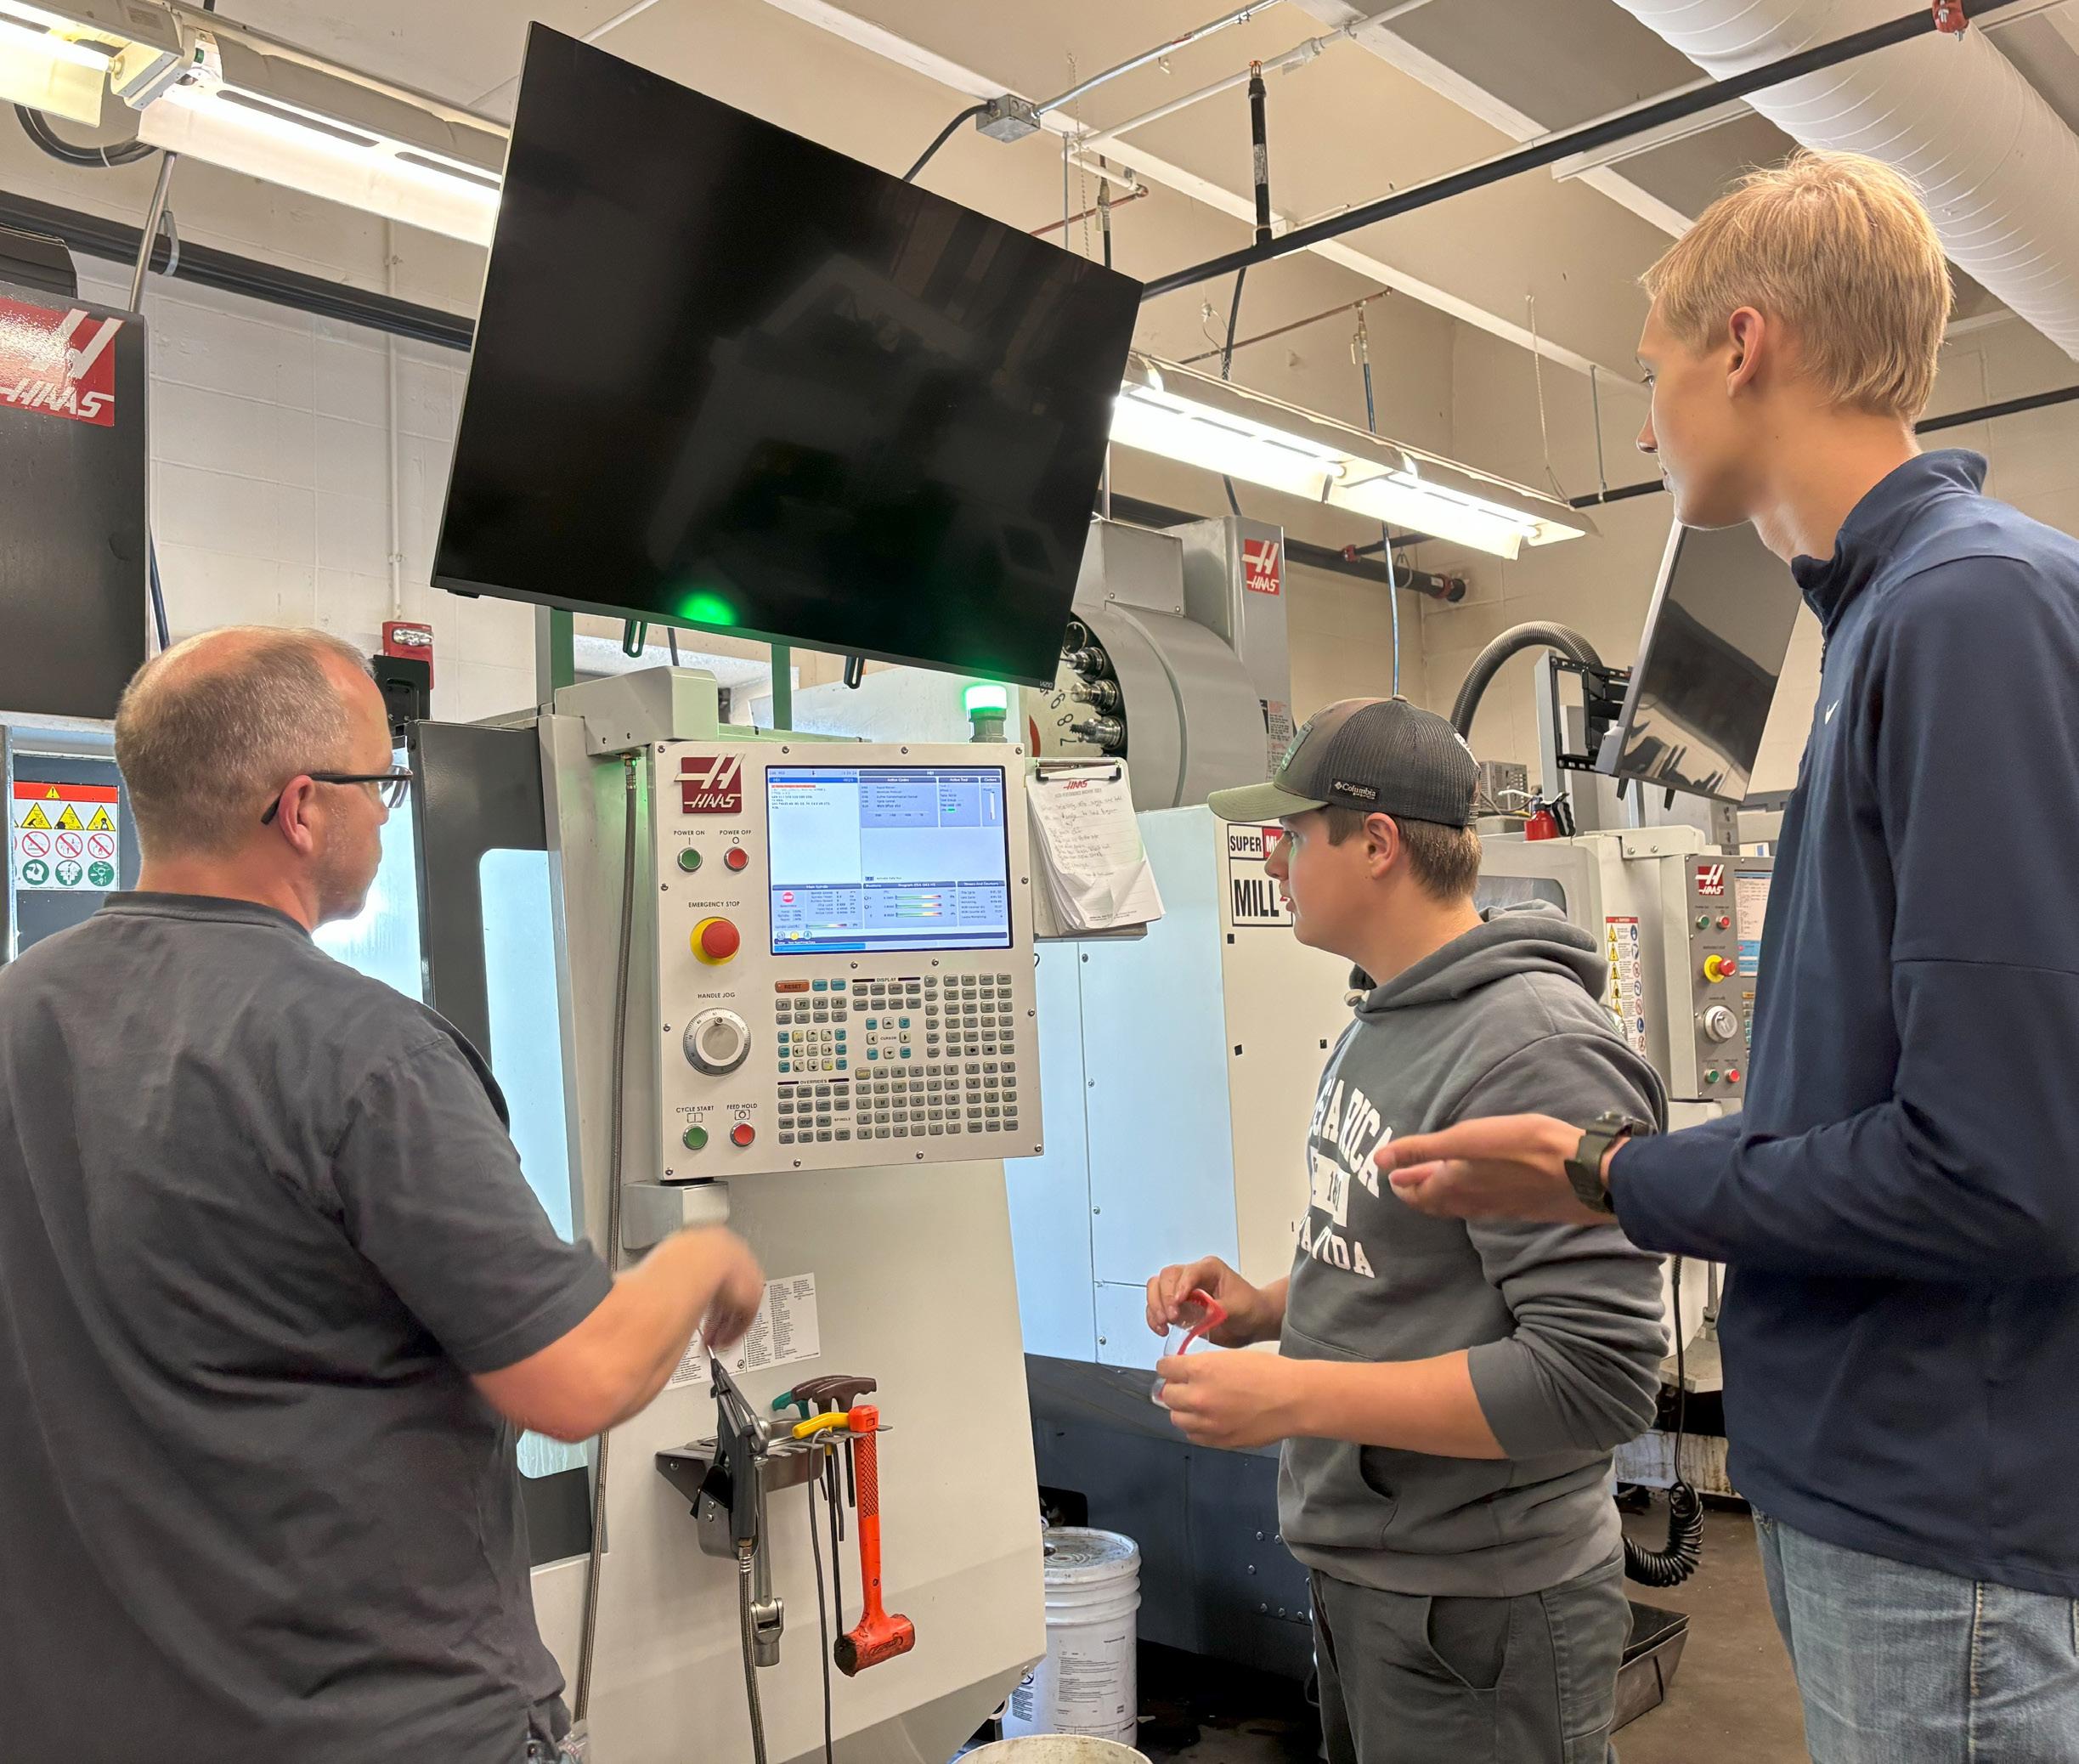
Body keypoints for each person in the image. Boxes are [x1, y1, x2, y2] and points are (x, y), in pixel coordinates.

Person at [1376, 150, 2079, 1761]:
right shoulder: (1893, 620)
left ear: (1742, 345)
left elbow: (1997, 1171)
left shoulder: (1962, 613)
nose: (1644, 425)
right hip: (1886, 1484)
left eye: (1651, 374)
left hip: (1939, 1510)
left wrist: (1612, 1174)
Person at [0, 627, 766, 1763]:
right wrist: (700, 1258)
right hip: (382, 1724)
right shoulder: (364, 1054)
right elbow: (577, 1379)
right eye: (379, 783)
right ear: (302, 809)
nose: (385, 812)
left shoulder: (19, 1010)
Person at [1144, 697, 1669, 1764]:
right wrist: (1262, 1311)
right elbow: (1413, 1267)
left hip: (1479, 1612)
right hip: (1374, 1575)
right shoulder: (1384, 1016)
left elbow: (1594, 1380)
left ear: (1375, 842)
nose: (1273, 859)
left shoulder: (1533, 1048)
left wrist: (1293, 1395)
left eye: (1292, 834)